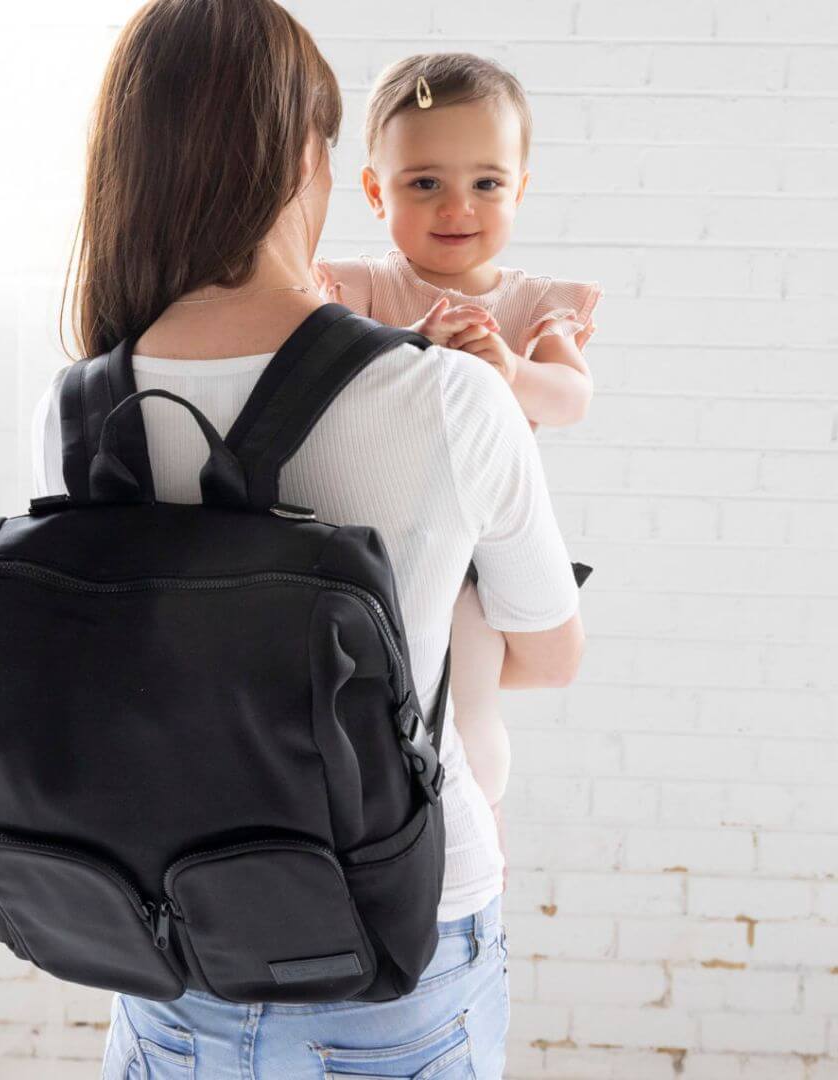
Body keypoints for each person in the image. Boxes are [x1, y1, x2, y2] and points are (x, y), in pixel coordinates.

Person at [30, 2, 584, 1076]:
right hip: (399, 937)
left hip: (166, 933)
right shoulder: (455, 393)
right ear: (306, 158)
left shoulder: (83, 401)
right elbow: (554, 655)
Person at [315, 52, 603, 891]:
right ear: (375, 193)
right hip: (391, 538)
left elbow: (571, 398)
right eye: (424, 184)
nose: (456, 208)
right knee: (377, 698)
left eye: (484, 183)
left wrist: (509, 370)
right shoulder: (364, 287)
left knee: (470, 711)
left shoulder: (529, 302)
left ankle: (474, 827)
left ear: (519, 188)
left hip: (479, 550)